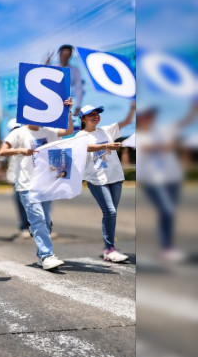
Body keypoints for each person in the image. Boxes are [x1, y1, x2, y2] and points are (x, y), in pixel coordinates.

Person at [0, 97, 74, 270]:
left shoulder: (48, 130)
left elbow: (69, 130)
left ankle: (41, 255)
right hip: (27, 184)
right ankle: (47, 256)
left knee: (46, 221)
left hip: (46, 183)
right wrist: (21, 150)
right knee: (38, 219)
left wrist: (68, 111)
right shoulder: (18, 133)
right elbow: (2, 151)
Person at [136, 102, 198, 262]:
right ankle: (166, 248)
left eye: (151, 115)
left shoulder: (163, 130)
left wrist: (193, 110)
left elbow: (183, 123)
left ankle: (167, 245)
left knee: (169, 214)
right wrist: (168, 145)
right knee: (168, 211)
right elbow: (150, 147)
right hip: (153, 182)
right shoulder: (138, 136)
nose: (150, 118)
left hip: (173, 179)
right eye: (146, 115)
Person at [76, 102, 135, 263]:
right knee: (110, 211)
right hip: (96, 179)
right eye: (91, 114)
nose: (95, 116)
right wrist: (107, 145)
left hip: (115, 177)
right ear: (82, 119)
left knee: (111, 213)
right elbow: (87, 147)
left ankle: (108, 248)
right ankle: (110, 249)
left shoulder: (106, 130)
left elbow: (127, 122)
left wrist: (133, 109)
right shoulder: (79, 136)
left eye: (97, 113)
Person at [4, 119, 31, 239]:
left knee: (36, 204)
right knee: (21, 205)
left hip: (31, 178)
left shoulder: (29, 141)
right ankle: (24, 227)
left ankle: (41, 227)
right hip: (16, 179)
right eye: (14, 130)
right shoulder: (9, 144)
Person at [46, 44, 84, 111]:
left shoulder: (75, 70)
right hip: (50, 101)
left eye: (67, 55)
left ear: (70, 56)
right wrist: (46, 63)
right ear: (59, 54)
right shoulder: (52, 68)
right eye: (63, 54)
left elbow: (79, 89)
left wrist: (78, 106)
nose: (65, 57)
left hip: (65, 103)